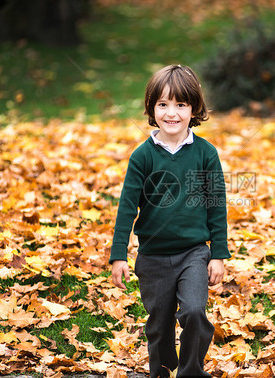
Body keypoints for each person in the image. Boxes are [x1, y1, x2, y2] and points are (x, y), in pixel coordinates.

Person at [109, 64, 231, 378]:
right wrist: (119, 255)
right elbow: (126, 208)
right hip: (152, 257)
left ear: (194, 109)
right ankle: (162, 371)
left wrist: (218, 254)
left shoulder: (205, 154)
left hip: (194, 253)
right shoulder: (143, 156)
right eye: (163, 104)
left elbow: (216, 207)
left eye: (180, 104)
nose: (171, 113)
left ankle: (191, 371)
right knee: (159, 326)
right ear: (151, 109)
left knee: (193, 311)